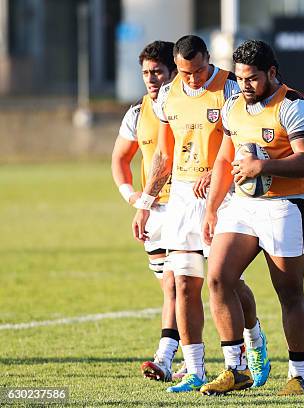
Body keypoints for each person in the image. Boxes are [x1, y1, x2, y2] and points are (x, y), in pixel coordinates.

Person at [132, 35, 270, 393]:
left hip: (222, 197)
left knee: (226, 281)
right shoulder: (168, 94)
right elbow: (163, 154)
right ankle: (194, 368)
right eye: (183, 72)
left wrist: (216, 173)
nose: (190, 79)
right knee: (182, 282)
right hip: (181, 197)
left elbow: (243, 137)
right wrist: (146, 204)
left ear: (207, 59)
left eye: (195, 71)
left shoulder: (228, 89)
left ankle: (252, 342)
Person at [201, 40, 304, 396]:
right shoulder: (233, 106)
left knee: (288, 291)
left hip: (285, 205)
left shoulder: (294, 106)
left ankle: (298, 375)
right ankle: (235, 369)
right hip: (242, 206)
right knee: (219, 278)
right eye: (239, 78)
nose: (245, 85)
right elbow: (225, 160)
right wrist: (211, 207)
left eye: (252, 79)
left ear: (271, 73)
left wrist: (262, 165)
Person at [111, 40, 187, 382]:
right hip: (153, 211)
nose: (151, 78)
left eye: (157, 71)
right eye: (145, 72)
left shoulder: (188, 107)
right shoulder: (137, 112)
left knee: (184, 285)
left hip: (189, 208)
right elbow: (120, 159)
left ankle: (166, 357)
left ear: (173, 71)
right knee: (172, 288)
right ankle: (189, 357)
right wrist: (132, 197)